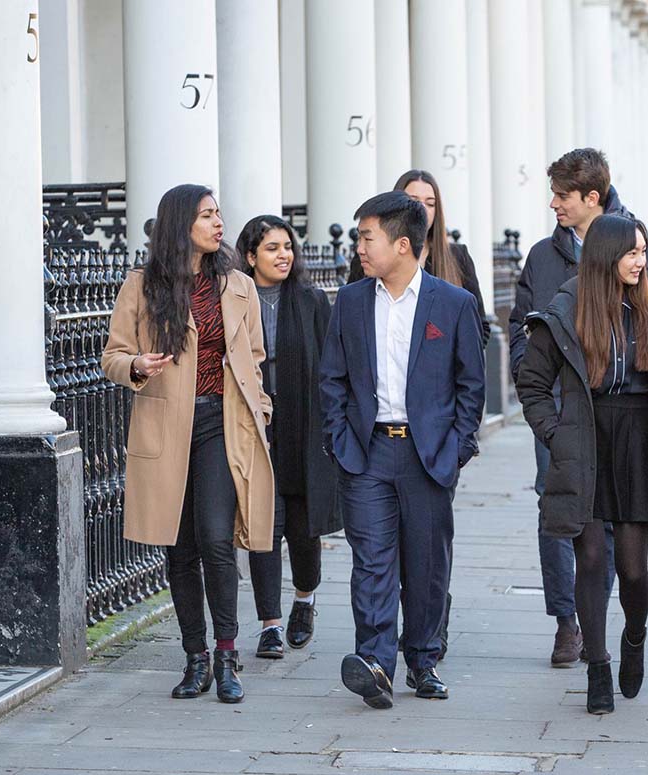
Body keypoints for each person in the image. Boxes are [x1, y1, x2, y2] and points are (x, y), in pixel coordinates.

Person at [101, 184, 275, 704]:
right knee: (179, 551)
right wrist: (136, 365)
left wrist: (261, 409)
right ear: (182, 224)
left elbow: (256, 358)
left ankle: (227, 654)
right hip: (166, 428)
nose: (218, 222)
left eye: (219, 213)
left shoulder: (239, 285)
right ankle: (194, 658)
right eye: (206, 215)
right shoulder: (143, 285)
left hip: (223, 425)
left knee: (218, 540)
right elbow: (112, 355)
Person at [320, 191, 485, 709]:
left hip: (428, 454)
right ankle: (374, 662)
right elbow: (332, 379)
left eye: (368, 237)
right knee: (371, 561)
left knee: (426, 564)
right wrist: (340, 440)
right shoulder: (349, 302)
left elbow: (470, 384)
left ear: (403, 244)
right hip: (366, 454)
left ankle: (423, 659)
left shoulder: (452, 304)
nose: (360, 248)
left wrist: (456, 448)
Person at [508, 148, 648, 669]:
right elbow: (526, 330)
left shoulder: (645, 268)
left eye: (562, 194)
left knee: (630, 564)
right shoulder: (544, 260)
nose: (553, 203)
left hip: (633, 434)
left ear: (592, 199)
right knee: (575, 536)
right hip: (573, 420)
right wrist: (553, 427)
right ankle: (575, 634)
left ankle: (630, 634)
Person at [237, 215, 340, 659]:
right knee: (263, 523)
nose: (283, 255)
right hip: (256, 422)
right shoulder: (237, 299)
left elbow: (333, 365)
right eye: (272, 248)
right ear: (250, 256)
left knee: (301, 526)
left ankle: (304, 598)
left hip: (303, 424)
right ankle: (269, 624)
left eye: (287, 247)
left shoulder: (312, 300)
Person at [350, 169, 492, 348]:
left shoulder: (457, 256)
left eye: (430, 204)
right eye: (414, 201)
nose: (423, 209)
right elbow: (352, 320)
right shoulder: (368, 256)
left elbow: (479, 326)